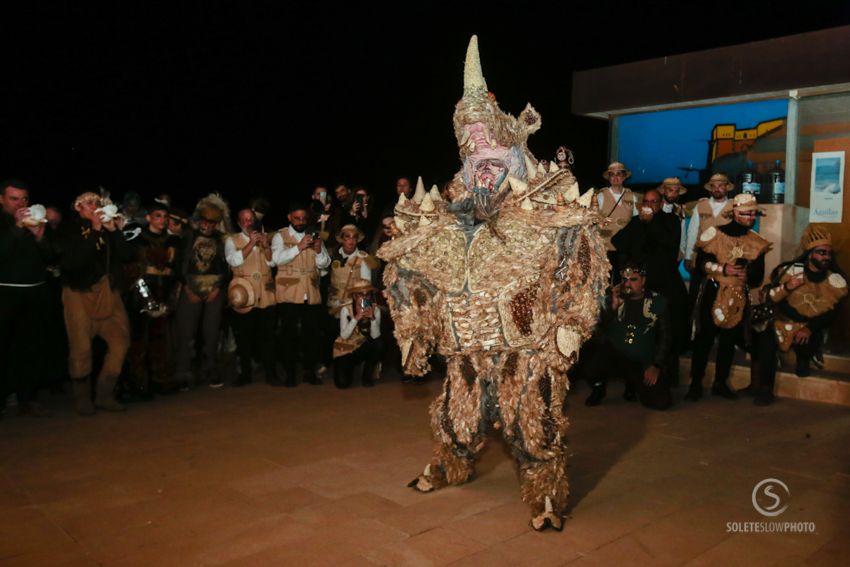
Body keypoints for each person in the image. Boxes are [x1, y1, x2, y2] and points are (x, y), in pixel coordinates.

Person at [381, 36, 609, 531]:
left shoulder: (555, 213)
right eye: (472, 151)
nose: (481, 159)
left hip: (526, 349)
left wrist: (571, 325)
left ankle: (546, 491)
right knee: (454, 417)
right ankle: (451, 463)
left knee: (534, 425)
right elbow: (403, 272)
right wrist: (414, 328)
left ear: (514, 148)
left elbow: (585, 269)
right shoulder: (441, 216)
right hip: (464, 348)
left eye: (491, 148)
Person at [686, 193, 771, 401]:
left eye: (753, 214)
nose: (751, 217)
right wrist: (723, 268)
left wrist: (746, 275)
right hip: (713, 292)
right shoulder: (714, 234)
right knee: (704, 339)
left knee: (728, 340)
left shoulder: (756, 242)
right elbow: (700, 265)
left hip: (737, 296)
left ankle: (720, 382)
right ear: (735, 213)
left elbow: (757, 277)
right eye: (746, 214)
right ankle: (695, 383)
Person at [750, 226, 847, 405]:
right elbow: (773, 299)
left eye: (828, 253)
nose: (826, 257)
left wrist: (808, 327)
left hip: (811, 328)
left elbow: (831, 314)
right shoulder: (791, 271)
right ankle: (765, 388)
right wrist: (788, 288)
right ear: (810, 254)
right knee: (765, 338)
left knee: (807, 344)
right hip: (785, 323)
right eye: (821, 252)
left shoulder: (835, 281)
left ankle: (804, 358)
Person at [57, 192, 132, 415]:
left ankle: (104, 394)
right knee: (81, 347)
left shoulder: (108, 228)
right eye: (89, 203)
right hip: (78, 293)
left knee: (121, 341)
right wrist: (96, 230)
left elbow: (128, 255)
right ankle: (82, 398)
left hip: (107, 291)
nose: (95, 206)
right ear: (78, 207)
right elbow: (73, 262)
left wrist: (113, 230)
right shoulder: (68, 229)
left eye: (98, 203)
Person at [612, 189, 688, 384]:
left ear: (661, 204)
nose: (649, 205)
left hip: (665, 285)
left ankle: (668, 374)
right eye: (646, 201)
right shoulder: (637, 222)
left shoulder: (670, 221)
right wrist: (639, 225)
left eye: (654, 202)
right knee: (640, 330)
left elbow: (670, 244)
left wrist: (651, 223)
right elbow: (617, 241)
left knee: (667, 331)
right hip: (641, 289)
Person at [584, 262, 673, 410]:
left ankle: (632, 385)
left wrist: (656, 365)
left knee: (661, 402)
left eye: (634, 279)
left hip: (641, 361)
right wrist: (612, 308)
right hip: (614, 355)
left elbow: (666, 337)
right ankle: (598, 387)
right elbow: (595, 330)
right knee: (589, 360)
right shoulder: (611, 298)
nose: (628, 284)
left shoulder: (658, 301)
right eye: (625, 280)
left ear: (643, 280)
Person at [0, 179, 55, 417]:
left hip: (35, 291)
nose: (20, 203)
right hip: (5, 292)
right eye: (14, 198)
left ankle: (27, 397)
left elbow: (52, 256)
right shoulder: (5, 222)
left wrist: (40, 236)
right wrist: (17, 227)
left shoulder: (37, 219)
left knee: (31, 346)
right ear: (1, 199)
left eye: (24, 198)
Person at [125, 201, 182, 396]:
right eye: (158, 216)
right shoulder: (138, 241)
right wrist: (146, 298)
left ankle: (161, 381)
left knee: (162, 341)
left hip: (164, 295)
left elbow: (176, 274)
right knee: (140, 341)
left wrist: (171, 300)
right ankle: (138, 385)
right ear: (149, 217)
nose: (162, 220)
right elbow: (133, 272)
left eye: (165, 217)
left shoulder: (173, 242)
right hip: (141, 296)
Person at [173, 194, 230, 388]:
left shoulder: (221, 240)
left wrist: (218, 288)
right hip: (190, 288)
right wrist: (188, 288)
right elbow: (179, 264)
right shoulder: (188, 237)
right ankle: (183, 373)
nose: (208, 225)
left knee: (212, 334)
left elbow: (226, 267)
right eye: (205, 221)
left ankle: (210, 370)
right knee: (186, 333)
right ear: (199, 220)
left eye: (212, 222)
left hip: (214, 290)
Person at [272, 201, 331, 386]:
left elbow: (325, 265)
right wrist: (299, 247)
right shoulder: (280, 236)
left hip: (310, 291)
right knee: (288, 334)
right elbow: (276, 260)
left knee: (312, 335)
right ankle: (290, 373)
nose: (300, 221)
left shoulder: (314, 235)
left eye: (303, 218)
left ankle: (309, 371)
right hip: (289, 291)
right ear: (289, 217)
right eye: (296, 218)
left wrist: (319, 250)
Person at [225, 208, 281, 386]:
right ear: (240, 223)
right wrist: (250, 243)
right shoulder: (231, 240)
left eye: (252, 219)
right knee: (244, 337)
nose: (249, 223)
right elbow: (233, 260)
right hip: (243, 293)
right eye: (245, 220)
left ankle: (271, 373)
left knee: (268, 336)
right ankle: (245, 374)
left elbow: (273, 263)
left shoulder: (264, 238)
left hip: (265, 292)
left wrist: (265, 246)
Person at [333, 279, 382, 388]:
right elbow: (344, 336)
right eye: (360, 294)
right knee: (342, 384)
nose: (364, 298)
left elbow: (376, 336)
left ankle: (367, 376)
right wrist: (356, 318)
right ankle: (349, 368)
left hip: (363, 346)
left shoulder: (376, 309)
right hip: (346, 349)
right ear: (354, 296)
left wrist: (373, 319)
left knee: (379, 345)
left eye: (367, 294)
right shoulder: (346, 309)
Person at [596, 161, 638, 280]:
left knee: (623, 280)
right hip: (605, 247)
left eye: (619, 174)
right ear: (609, 178)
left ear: (624, 177)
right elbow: (593, 220)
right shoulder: (601, 196)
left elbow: (636, 223)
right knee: (604, 280)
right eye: (612, 174)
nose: (615, 177)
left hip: (624, 248)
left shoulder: (632, 196)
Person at [684, 173, 734, 269]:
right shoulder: (700, 206)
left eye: (720, 186)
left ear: (727, 187)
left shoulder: (734, 207)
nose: (716, 189)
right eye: (713, 186)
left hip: (726, 258)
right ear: (710, 189)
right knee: (697, 283)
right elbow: (693, 232)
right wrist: (688, 256)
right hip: (702, 256)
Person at [327, 224, 378, 317]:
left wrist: (365, 310)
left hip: (352, 306)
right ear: (342, 238)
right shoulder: (333, 255)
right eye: (347, 237)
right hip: (334, 303)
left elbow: (366, 288)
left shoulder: (363, 258)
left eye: (354, 237)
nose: (351, 241)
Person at [659, 177, 688, 261]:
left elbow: (683, 234)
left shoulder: (679, 210)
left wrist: (681, 252)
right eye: (670, 190)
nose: (673, 194)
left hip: (672, 255)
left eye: (676, 191)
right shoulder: (655, 207)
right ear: (663, 190)